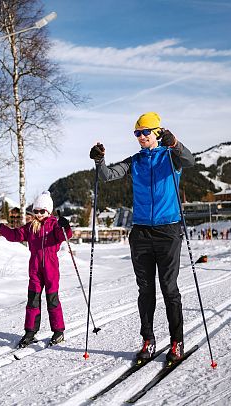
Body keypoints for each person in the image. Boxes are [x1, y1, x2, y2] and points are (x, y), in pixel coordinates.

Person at [89, 112, 195, 363]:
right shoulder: (135, 161)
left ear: (157, 132)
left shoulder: (171, 157)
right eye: (137, 133)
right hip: (141, 232)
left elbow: (189, 160)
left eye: (145, 132)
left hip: (168, 230)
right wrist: (99, 161)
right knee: (145, 289)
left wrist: (175, 143)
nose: (141, 137)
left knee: (169, 289)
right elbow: (107, 176)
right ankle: (148, 340)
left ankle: (177, 342)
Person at [0, 191, 72, 348]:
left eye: (42, 211)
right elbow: (14, 235)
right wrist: (0, 227)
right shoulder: (30, 227)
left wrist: (65, 226)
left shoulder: (54, 225)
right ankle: (30, 332)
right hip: (34, 269)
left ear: (48, 211)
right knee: (32, 300)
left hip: (51, 269)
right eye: (36, 211)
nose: (39, 214)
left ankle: (58, 331)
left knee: (52, 300)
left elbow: (65, 235)